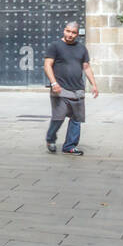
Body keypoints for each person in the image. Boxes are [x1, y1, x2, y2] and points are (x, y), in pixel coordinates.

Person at [43, 21, 98, 156]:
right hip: (60, 88)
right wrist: (54, 83)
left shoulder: (81, 48)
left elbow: (86, 67)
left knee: (76, 119)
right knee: (59, 117)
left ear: (77, 34)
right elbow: (47, 65)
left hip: (78, 89)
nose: (70, 35)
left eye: (73, 33)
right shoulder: (55, 46)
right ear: (64, 30)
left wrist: (94, 84)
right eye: (68, 31)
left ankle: (70, 146)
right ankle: (50, 139)